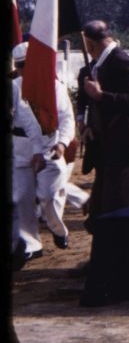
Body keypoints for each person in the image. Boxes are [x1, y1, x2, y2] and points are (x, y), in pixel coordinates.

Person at [80, 20, 129, 232]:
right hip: (108, 147)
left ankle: (121, 262)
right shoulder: (101, 63)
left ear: (90, 44)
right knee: (103, 209)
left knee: (121, 209)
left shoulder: (120, 61)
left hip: (126, 149)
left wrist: (101, 95)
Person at [10, 42, 76, 260]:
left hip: (51, 146)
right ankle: (31, 244)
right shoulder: (14, 87)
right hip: (21, 146)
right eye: (20, 66)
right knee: (22, 198)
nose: (24, 70)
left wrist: (63, 143)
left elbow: (67, 118)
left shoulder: (55, 87)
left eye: (28, 65)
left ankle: (58, 229)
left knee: (48, 196)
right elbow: (22, 121)